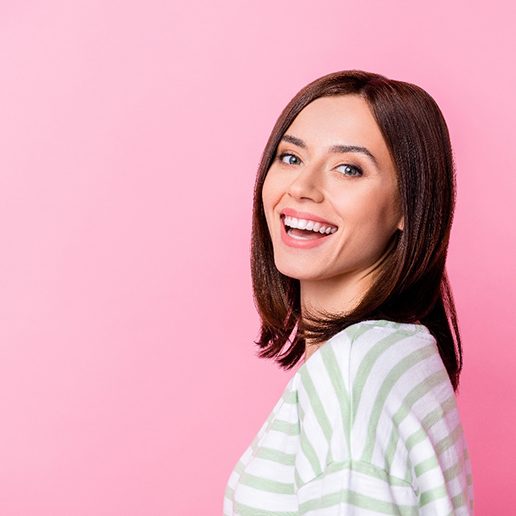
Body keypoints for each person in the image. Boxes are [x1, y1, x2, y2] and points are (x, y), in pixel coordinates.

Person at [223, 70, 474, 515]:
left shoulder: (354, 375)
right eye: (291, 158)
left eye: (348, 168)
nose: (300, 188)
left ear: (407, 206)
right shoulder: (398, 352)